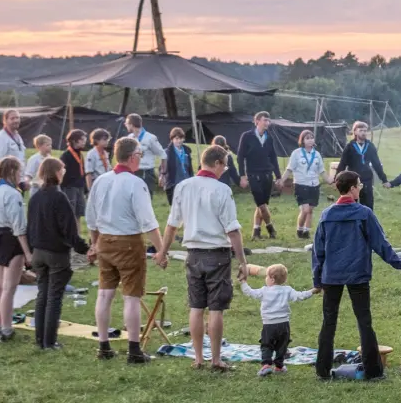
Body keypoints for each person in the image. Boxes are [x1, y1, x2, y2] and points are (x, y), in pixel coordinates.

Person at [310, 170, 401, 381]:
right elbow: (381, 245)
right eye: (359, 184)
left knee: (328, 322)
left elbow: (317, 251)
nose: (361, 188)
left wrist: (317, 279)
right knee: (364, 322)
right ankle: (374, 372)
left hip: (331, 276)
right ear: (352, 189)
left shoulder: (326, 215)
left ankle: (322, 370)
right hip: (358, 275)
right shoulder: (364, 213)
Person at [158, 144, 249, 372]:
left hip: (193, 254)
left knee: (196, 306)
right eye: (225, 165)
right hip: (217, 253)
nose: (225, 170)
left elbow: (171, 225)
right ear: (217, 163)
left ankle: (198, 358)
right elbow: (232, 230)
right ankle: (216, 359)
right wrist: (243, 261)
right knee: (216, 308)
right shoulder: (221, 190)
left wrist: (163, 251)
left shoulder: (182, 187)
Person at [86, 136, 166, 364]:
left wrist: (95, 243)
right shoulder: (135, 183)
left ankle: (104, 346)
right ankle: (134, 349)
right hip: (128, 242)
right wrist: (161, 251)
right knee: (131, 296)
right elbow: (149, 222)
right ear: (133, 157)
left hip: (105, 240)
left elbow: (91, 219)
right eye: (140, 154)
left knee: (104, 293)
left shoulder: (101, 180)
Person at [27, 158, 88, 350]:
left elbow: (30, 226)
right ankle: (50, 341)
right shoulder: (59, 197)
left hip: (38, 252)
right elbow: (69, 229)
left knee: (42, 295)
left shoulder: (35, 197)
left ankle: (40, 339)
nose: (64, 172)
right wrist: (85, 249)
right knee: (54, 297)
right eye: (62, 169)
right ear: (55, 172)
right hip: (56, 253)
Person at [0, 157, 32, 343]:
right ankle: (6, 328)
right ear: (12, 172)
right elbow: (18, 225)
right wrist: (27, 252)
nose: (20, 175)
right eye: (19, 171)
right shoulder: (12, 194)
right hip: (9, 238)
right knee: (9, 288)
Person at [241, 264, 314, 377]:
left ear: (272, 279)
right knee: (282, 345)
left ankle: (266, 365)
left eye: (266, 277)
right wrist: (313, 291)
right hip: (284, 324)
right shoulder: (287, 290)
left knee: (266, 345)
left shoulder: (264, 291)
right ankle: (279, 366)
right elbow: (300, 296)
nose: (265, 279)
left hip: (268, 325)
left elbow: (250, 292)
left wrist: (243, 282)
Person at [236, 111, 282, 239]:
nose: (267, 123)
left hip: (267, 174)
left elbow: (273, 158)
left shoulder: (270, 137)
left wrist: (278, 176)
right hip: (253, 174)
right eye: (264, 120)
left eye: (268, 120)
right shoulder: (247, 136)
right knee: (261, 204)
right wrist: (242, 175)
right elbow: (240, 157)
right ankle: (270, 227)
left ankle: (256, 231)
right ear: (257, 121)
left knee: (261, 204)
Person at [283, 128, 326, 239]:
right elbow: (289, 169)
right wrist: (281, 180)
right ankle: (299, 229)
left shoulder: (316, 154)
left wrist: (331, 180)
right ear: (302, 140)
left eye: (312, 138)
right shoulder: (296, 153)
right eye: (307, 138)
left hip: (314, 185)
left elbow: (322, 171)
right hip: (301, 185)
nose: (310, 140)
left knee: (310, 210)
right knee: (305, 209)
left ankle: (306, 231)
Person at [336, 121, 389, 210]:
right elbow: (342, 164)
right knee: (352, 206)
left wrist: (384, 179)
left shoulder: (370, 146)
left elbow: (377, 164)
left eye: (365, 131)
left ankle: (367, 223)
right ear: (355, 132)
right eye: (361, 130)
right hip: (352, 180)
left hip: (367, 179)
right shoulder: (350, 146)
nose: (364, 133)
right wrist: (336, 180)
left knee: (368, 206)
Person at [123, 113, 167, 196]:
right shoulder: (129, 137)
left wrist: (162, 174)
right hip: (132, 172)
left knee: (145, 200)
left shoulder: (150, 138)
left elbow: (163, 155)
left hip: (146, 173)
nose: (125, 125)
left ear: (131, 125)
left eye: (126, 123)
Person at [58, 130, 88, 223]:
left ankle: (77, 235)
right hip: (69, 188)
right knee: (71, 213)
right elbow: (62, 173)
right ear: (74, 141)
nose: (84, 142)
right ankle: (71, 235)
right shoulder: (65, 156)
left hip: (79, 187)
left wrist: (85, 188)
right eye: (82, 140)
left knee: (78, 214)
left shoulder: (80, 154)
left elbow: (83, 171)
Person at [161, 126, 194, 206]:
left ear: (183, 139)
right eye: (176, 138)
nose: (179, 141)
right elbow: (162, 169)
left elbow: (190, 167)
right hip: (173, 184)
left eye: (181, 138)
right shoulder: (166, 152)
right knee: (175, 210)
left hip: (186, 183)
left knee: (186, 207)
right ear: (172, 139)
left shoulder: (187, 151)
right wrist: (162, 177)